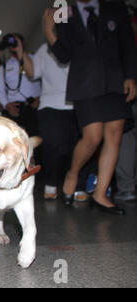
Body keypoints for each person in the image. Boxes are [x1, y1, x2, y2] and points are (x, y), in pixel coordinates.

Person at [45, 0, 137, 215]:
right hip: (85, 83)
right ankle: (73, 173)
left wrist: (132, 76)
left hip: (116, 79)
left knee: (114, 135)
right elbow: (64, 54)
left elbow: (128, 45)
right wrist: (49, 31)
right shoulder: (61, 7)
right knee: (93, 136)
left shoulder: (115, 6)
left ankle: (100, 194)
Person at [21, 40, 90, 202]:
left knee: (82, 145)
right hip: (51, 105)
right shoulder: (44, 49)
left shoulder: (80, 43)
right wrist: (21, 51)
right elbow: (32, 73)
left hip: (81, 102)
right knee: (53, 147)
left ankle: (79, 185)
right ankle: (51, 182)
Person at [0, 33, 41, 137]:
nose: (13, 46)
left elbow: (46, 81)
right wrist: (6, 104)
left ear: (22, 43)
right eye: (10, 44)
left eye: (16, 42)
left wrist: (41, 98)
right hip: (15, 109)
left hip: (35, 106)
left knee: (36, 142)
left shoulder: (36, 59)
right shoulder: (5, 66)